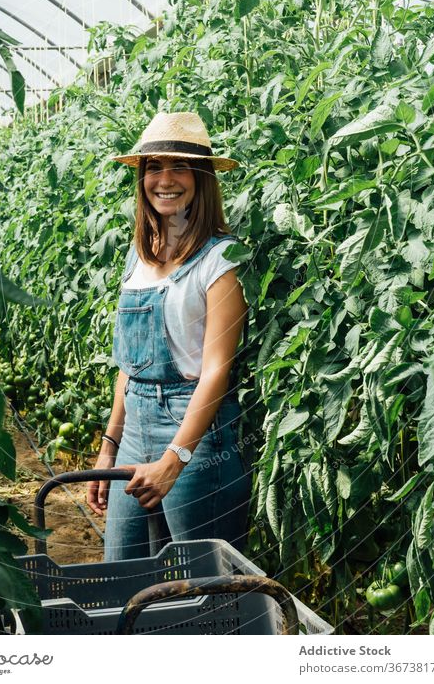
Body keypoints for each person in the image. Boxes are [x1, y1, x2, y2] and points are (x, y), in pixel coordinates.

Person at [87, 111, 251, 561]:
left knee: (207, 584)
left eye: (179, 166)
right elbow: (129, 366)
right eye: (154, 167)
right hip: (135, 427)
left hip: (196, 435)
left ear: (201, 177)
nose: (165, 179)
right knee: (122, 570)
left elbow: (217, 370)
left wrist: (177, 457)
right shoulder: (138, 257)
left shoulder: (221, 259)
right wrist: (109, 447)